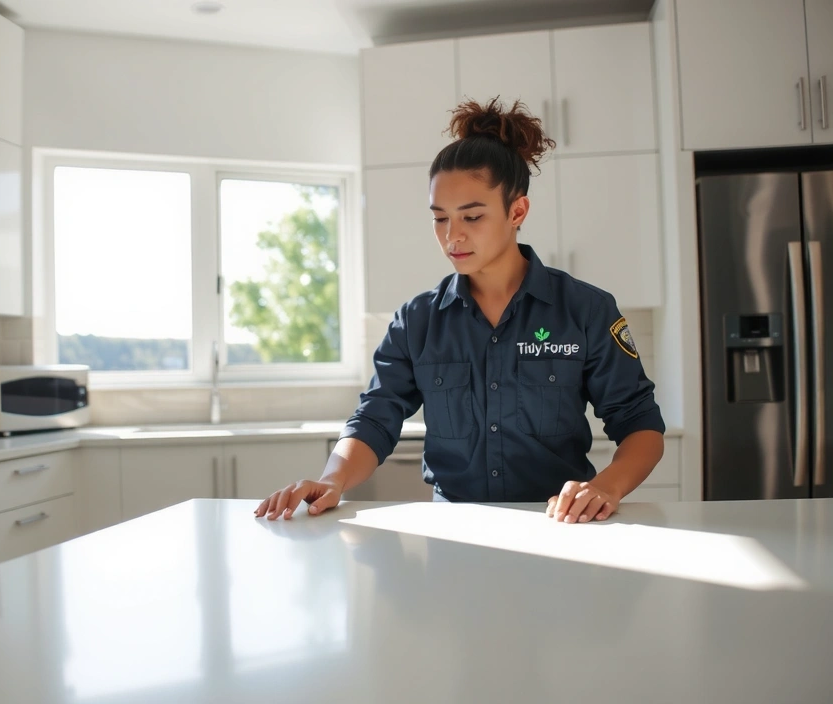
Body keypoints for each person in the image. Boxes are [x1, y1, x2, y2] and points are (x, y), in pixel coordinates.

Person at [255, 97, 665, 524]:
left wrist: (606, 485)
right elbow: (375, 417)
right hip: (453, 533)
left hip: (559, 524)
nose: (452, 236)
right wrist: (334, 478)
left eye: (471, 217)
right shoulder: (417, 321)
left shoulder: (586, 309)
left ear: (517, 210)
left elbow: (640, 424)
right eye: (440, 218)